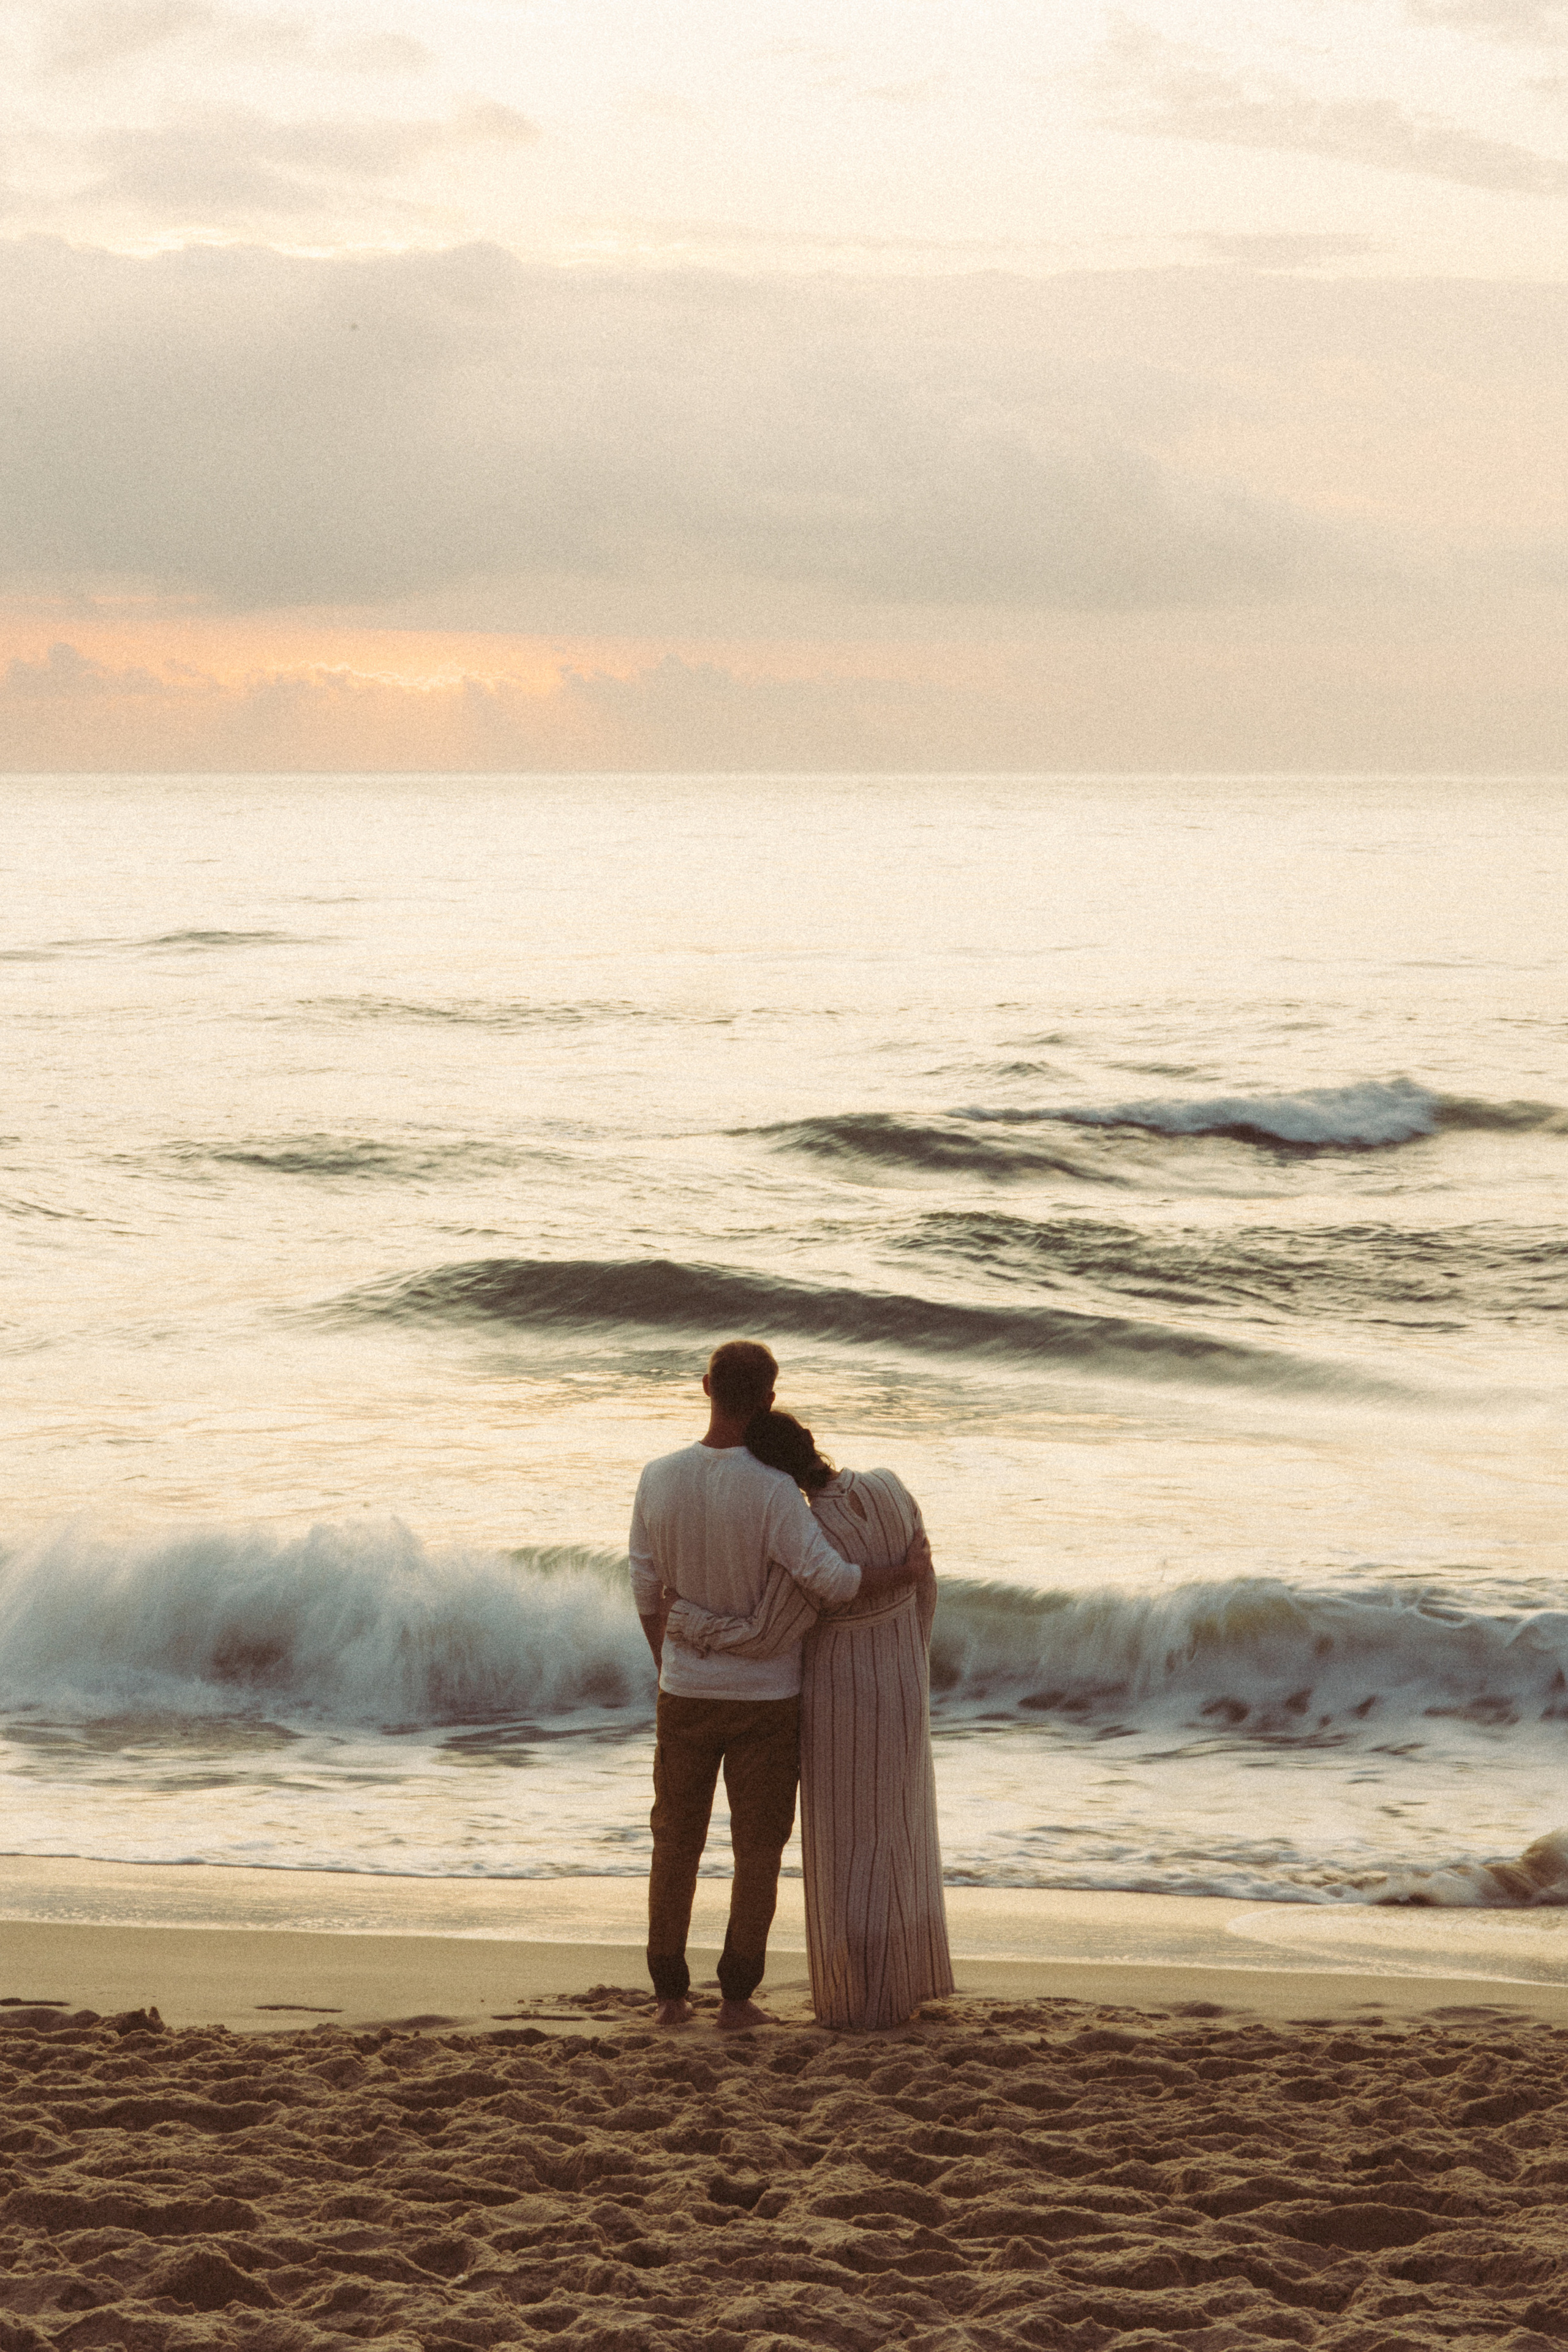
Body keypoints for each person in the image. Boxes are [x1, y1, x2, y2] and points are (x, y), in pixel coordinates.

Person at [630, 1340, 928, 2032]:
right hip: (766, 1699)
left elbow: (646, 1587)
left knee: (675, 1842)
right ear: (768, 1399)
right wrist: (905, 1574)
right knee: (757, 1851)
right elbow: (833, 1582)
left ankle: (670, 1994)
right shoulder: (772, 1490)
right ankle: (736, 1999)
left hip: (685, 1691)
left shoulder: (657, 1477)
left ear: (706, 1387)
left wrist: (672, 1668)